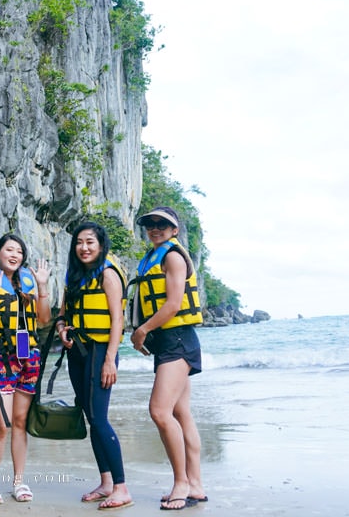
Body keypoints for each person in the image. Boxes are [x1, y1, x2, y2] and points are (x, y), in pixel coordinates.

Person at [128, 206, 207, 510]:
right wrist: (145, 332)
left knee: (160, 412)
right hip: (169, 342)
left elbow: (173, 304)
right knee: (180, 413)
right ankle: (196, 484)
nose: (156, 228)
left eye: (163, 224)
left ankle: (182, 482)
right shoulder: (153, 257)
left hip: (177, 340)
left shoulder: (172, 257)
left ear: (175, 230)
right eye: (151, 225)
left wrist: (142, 330)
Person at [0, 233, 52, 505]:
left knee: (19, 422)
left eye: (19, 251)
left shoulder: (27, 281)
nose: (14, 255)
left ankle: (18, 481)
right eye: (9, 250)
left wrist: (41, 286)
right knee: (2, 425)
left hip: (28, 357)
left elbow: (43, 319)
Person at [56, 221, 133, 511]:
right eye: (79, 242)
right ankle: (105, 482)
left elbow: (117, 320)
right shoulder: (75, 276)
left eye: (90, 242)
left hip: (101, 352)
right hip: (79, 352)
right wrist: (63, 328)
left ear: (101, 245)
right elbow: (63, 314)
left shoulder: (108, 274)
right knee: (91, 418)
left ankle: (122, 487)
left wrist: (110, 359)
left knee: (99, 419)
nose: (84, 248)